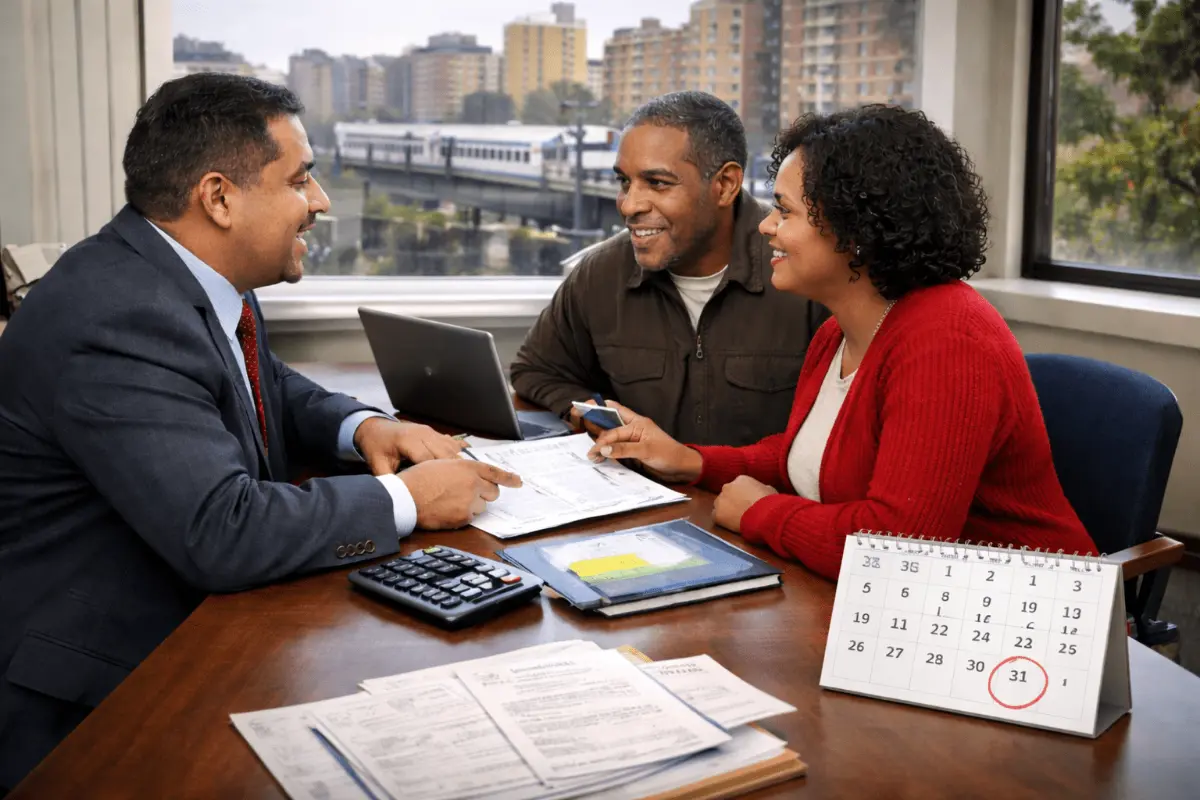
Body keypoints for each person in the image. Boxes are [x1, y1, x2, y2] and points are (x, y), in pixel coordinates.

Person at [0, 73, 520, 791]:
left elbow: (262, 384)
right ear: (219, 197)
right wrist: (409, 501)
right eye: (300, 180)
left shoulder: (191, 278)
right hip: (97, 700)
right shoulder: (117, 316)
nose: (320, 203)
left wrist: (361, 425)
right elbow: (223, 530)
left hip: (190, 632)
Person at [586, 105, 1098, 580]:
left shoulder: (948, 339)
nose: (765, 225)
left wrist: (761, 513)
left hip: (1016, 627)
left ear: (854, 231)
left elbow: (900, 547)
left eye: (785, 212)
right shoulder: (838, 331)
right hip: (891, 615)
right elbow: (804, 457)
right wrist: (692, 460)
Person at [510, 92, 827, 447]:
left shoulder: (807, 275)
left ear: (725, 185)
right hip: (646, 497)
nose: (629, 205)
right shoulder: (600, 274)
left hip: (761, 498)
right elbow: (537, 371)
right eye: (624, 182)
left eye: (657, 183)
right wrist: (597, 415)